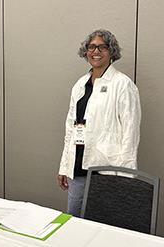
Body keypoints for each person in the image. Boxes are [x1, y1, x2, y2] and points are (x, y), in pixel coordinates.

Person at [57, 29, 141, 217]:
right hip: (78, 167)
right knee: (74, 220)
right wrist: (65, 166)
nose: (96, 51)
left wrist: (125, 175)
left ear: (111, 52)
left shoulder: (123, 84)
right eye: (92, 46)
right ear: (86, 51)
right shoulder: (80, 84)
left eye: (102, 47)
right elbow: (71, 128)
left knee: (103, 222)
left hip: (107, 167)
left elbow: (131, 132)